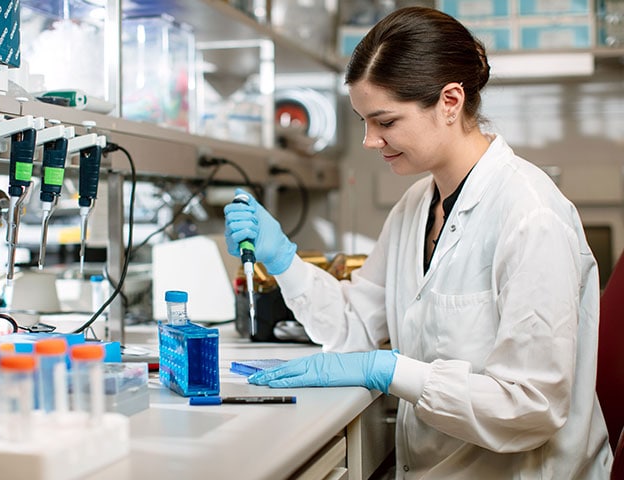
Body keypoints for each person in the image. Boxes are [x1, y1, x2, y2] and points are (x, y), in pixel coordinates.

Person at [223, 6, 613, 479]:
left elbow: (530, 406)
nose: (370, 140)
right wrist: (283, 258)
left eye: (384, 122)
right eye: (363, 120)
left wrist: (392, 372)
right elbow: (355, 326)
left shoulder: (530, 215)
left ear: (450, 101)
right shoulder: (416, 204)